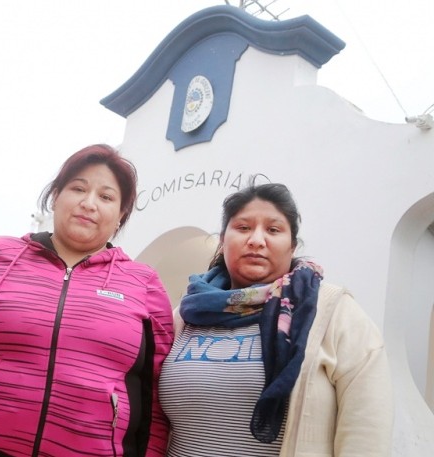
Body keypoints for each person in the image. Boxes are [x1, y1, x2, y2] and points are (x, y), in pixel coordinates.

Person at [0, 144, 175, 456]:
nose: (88, 203)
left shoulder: (143, 282)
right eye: (78, 188)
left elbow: (156, 397)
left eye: (106, 197)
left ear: (120, 215)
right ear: (55, 196)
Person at [158, 182, 393, 456]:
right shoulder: (186, 314)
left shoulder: (331, 311)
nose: (256, 240)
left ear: (292, 246)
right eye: (243, 227)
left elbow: (367, 431)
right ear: (223, 241)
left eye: (273, 229)